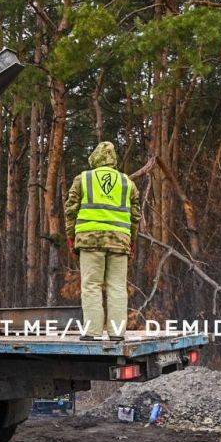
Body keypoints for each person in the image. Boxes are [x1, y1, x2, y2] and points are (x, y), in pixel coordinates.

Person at [64, 141, 140, 341]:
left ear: (95, 158)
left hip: (90, 241)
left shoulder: (83, 179)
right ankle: (116, 334)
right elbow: (135, 216)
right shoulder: (127, 183)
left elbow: (70, 211)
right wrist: (131, 240)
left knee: (92, 286)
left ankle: (92, 331)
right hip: (119, 242)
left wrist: (72, 237)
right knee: (117, 286)